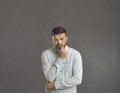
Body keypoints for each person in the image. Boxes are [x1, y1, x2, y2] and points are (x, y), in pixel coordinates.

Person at [41, 26, 83, 93]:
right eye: (56, 40)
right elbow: (49, 77)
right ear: (52, 39)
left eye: (61, 39)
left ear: (66, 39)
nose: (59, 42)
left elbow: (77, 79)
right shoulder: (46, 54)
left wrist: (55, 85)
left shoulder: (75, 54)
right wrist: (61, 58)